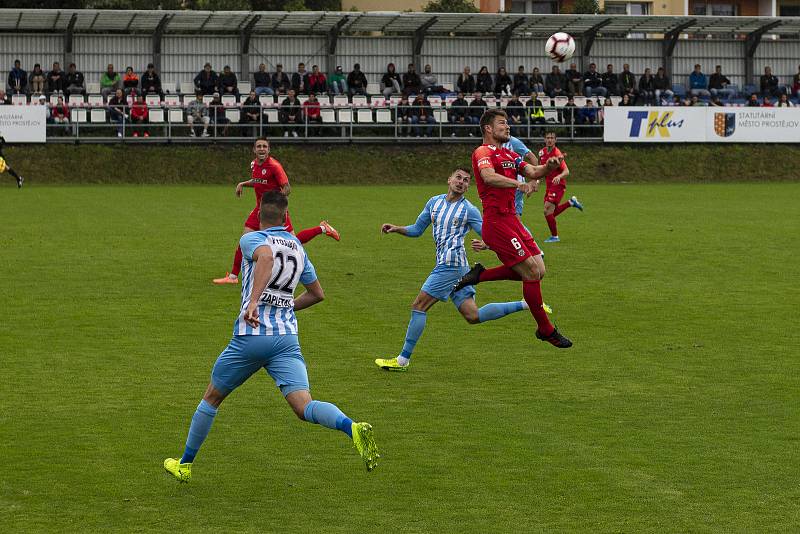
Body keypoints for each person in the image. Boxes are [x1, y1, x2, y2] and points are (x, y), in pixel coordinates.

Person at [165, 191, 379, 483]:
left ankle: (185, 464)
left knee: (212, 398)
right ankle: (351, 427)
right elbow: (317, 294)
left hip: (250, 337)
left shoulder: (252, 239)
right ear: (286, 216)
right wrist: (286, 305)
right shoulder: (298, 248)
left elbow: (265, 256)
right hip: (286, 339)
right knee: (304, 406)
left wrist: (254, 302)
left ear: (259, 215)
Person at [375, 168, 532, 371]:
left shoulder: (469, 210)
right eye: (458, 178)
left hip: (450, 265)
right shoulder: (434, 202)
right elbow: (417, 229)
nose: (461, 182)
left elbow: (491, 233)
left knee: (419, 306)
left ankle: (402, 360)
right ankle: (524, 304)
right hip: (460, 268)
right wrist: (397, 228)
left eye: (466, 181)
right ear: (449, 179)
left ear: (468, 187)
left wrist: (486, 245)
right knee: (473, 316)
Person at [453, 108, 572, 348]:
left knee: (539, 268)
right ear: (488, 128)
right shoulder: (482, 151)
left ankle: (480, 275)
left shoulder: (509, 153)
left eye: (507, 123)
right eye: (502, 123)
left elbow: (532, 171)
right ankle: (545, 329)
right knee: (530, 273)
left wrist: (548, 167)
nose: (507, 127)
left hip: (512, 221)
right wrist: (518, 186)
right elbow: (488, 177)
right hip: (496, 223)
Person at [213, 138, 340, 285]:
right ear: (254, 150)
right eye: (259, 146)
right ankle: (233, 277)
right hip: (260, 209)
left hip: (275, 210)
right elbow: (258, 180)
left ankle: (322, 229)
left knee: (294, 243)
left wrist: (277, 204)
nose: (262, 149)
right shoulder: (254, 164)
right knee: (244, 240)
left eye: (264, 147)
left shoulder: (274, 166)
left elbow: (287, 188)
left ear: (269, 149)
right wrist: (243, 183)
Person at [538, 131, 582, 243]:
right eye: (547, 137)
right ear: (544, 139)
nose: (549, 140)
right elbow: (540, 169)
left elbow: (567, 171)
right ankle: (571, 202)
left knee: (547, 211)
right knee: (549, 212)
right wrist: (536, 181)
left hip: (558, 185)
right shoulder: (542, 153)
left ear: (555, 140)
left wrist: (559, 176)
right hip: (549, 185)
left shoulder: (557, 153)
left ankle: (555, 237)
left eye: (552, 138)